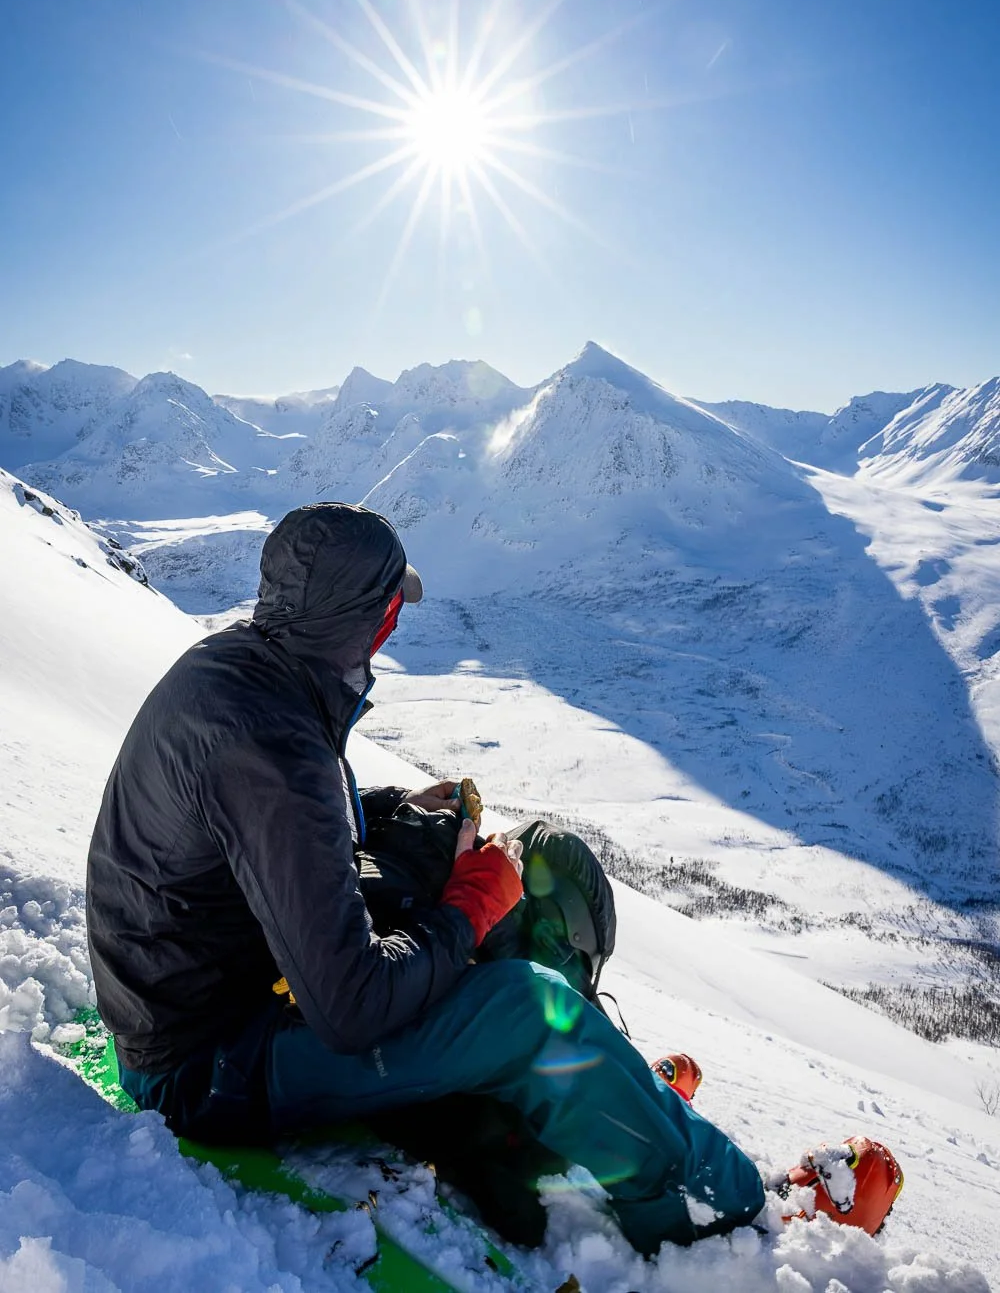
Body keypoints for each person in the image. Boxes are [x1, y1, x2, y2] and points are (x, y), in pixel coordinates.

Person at [86, 501, 765, 1256]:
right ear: (370, 621)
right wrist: (470, 907)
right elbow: (353, 1007)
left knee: (440, 883)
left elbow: (261, 830)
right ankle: (713, 1217)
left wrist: (389, 808)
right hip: (205, 1066)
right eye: (390, 607)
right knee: (528, 1008)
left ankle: (604, 1091)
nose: (396, 623)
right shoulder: (272, 746)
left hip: (218, 993)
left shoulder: (245, 671)